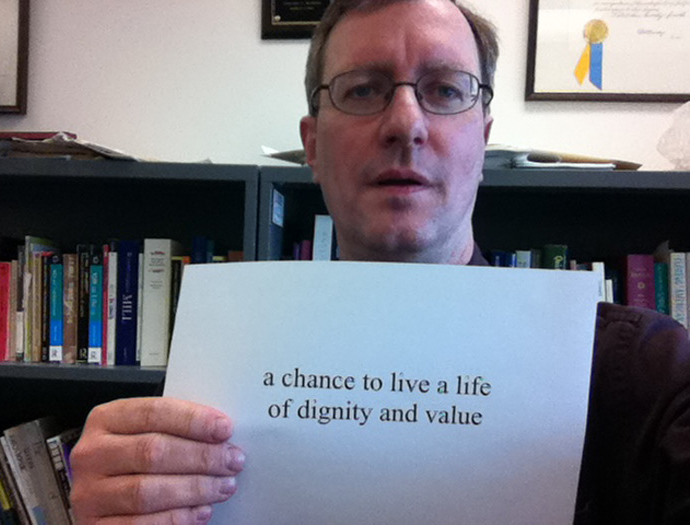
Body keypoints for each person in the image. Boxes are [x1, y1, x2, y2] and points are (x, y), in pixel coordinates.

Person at [69, 1, 690, 523]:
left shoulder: (643, 374)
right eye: (363, 90)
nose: (405, 123)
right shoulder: (217, 380)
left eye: (446, 90)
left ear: (484, 136)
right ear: (312, 145)